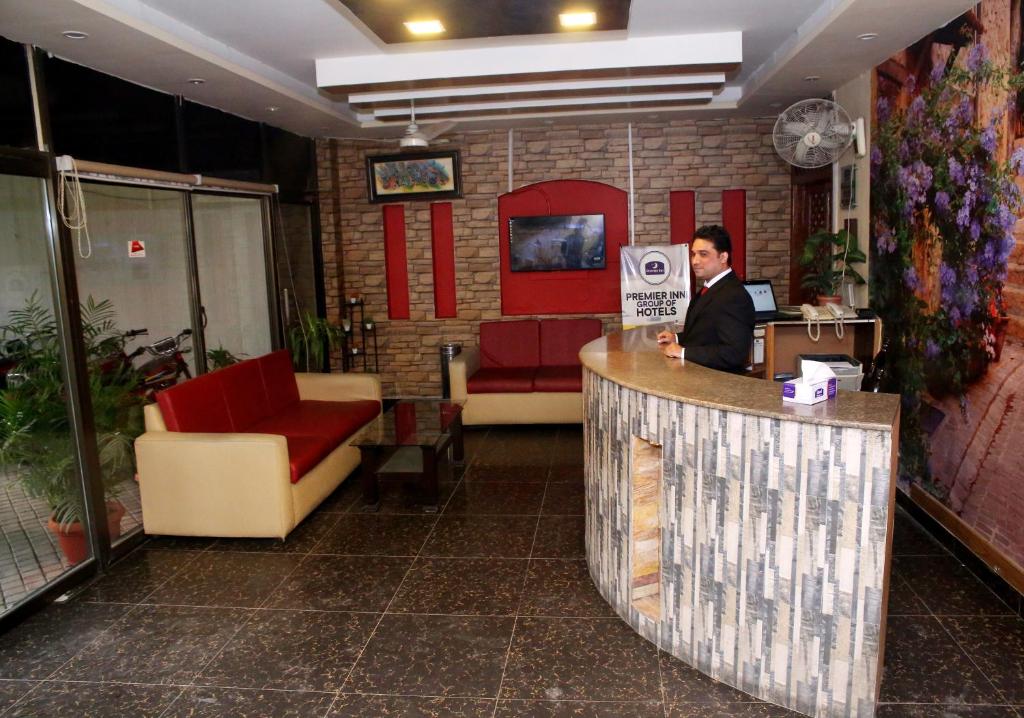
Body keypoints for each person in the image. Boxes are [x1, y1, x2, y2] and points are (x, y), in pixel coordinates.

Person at [656, 225, 755, 374]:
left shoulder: (734, 296)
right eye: (693, 254)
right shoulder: (711, 286)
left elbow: (734, 353)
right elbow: (707, 334)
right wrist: (676, 338)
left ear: (723, 257)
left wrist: (683, 352)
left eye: (703, 254)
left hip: (716, 386)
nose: (695, 261)